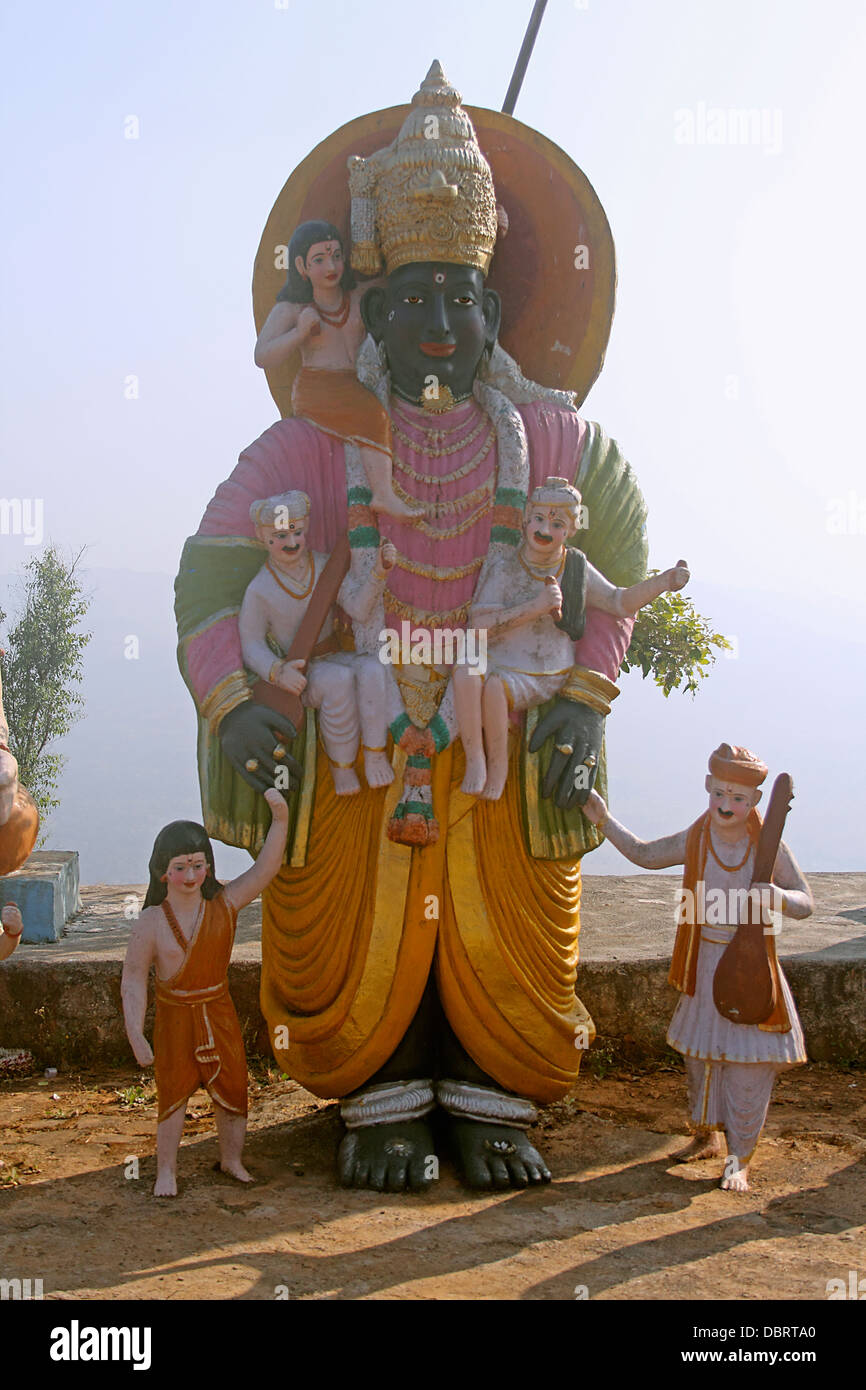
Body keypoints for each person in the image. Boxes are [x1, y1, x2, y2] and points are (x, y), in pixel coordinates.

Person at [176, 64, 651, 1192]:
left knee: (501, 870)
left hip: (499, 719)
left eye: (459, 299)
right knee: (351, 831)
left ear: (493, 311)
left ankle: (490, 1096)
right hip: (364, 732)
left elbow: (616, 565)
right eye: (412, 299)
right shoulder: (316, 434)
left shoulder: (552, 436)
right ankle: (381, 1096)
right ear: (373, 313)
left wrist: (584, 700)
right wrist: (232, 701)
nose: (438, 323)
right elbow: (206, 580)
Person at [581, 743, 814, 1192]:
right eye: (720, 794)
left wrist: (778, 899)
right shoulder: (698, 839)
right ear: (708, 789)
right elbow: (647, 854)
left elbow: (805, 901)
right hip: (704, 961)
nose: (727, 806)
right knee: (700, 1059)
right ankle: (706, 1135)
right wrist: (603, 820)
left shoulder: (768, 847)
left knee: (748, 1065)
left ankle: (739, 1158)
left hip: (750, 968)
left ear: (755, 802)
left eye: (738, 798)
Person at [452, 475, 689, 798]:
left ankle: (498, 770)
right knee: (465, 671)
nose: (544, 531)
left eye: (557, 523)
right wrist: (534, 608)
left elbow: (618, 602)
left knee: (495, 688)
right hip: (498, 653)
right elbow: (477, 627)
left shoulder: (575, 568)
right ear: (526, 519)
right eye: (538, 519)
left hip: (542, 667)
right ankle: (476, 760)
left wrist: (663, 582)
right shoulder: (506, 566)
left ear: (571, 529)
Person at [121, 790, 289, 1196]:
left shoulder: (224, 905)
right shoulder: (150, 922)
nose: (191, 875)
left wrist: (280, 820)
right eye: (180, 867)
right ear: (163, 873)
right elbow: (133, 978)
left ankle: (231, 1159)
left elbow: (265, 871)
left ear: (209, 867)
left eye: (198, 865)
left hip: (219, 1011)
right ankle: (166, 1171)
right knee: (173, 1096)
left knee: (233, 1090)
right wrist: (135, 1033)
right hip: (175, 1018)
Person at [255, 220, 422, 522]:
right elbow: (262, 356)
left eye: (336, 255)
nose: (331, 266)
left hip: (353, 381)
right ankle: (383, 494)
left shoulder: (358, 298)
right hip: (318, 386)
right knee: (375, 415)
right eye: (319, 259)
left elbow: (398, 280)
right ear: (301, 266)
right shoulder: (293, 309)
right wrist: (299, 333)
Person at [239, 490, 396, 793]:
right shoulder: (259, 590)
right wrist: (277, 672)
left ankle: (375, 754)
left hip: (333, 652)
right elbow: (251, 644)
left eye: (297, 532)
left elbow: (359, 608)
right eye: (281, 535)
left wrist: (379, 572)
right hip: (301, 671)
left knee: (374, 669)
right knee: (337, 680)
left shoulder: (325, 566)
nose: (292, 542)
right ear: (262, 535)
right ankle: (342, 768)